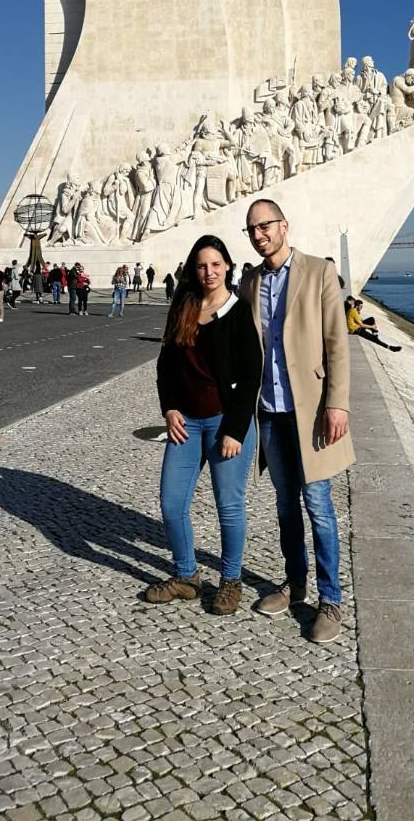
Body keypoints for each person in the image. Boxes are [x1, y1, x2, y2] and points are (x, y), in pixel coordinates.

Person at [240, 198, 354, 645]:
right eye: (251, 229)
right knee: (286, 507)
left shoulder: (318, 272)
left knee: (319, 508)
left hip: (310, 412)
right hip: (269, 410)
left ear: (284, 226)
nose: (258, 234)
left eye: (265, 225)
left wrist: (338, 403)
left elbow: (336, 342)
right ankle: (295, 583)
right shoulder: (251, 281)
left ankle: (330, 600)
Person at [146, 235, 262, 614]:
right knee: (171, 503)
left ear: (227, 266)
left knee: (228, 504)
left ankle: (230, 581)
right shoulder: (183, 305)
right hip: (187, 423)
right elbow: (166, 367)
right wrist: (169, 409)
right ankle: (186, 577)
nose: (209, 272)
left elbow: (250, 377)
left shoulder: (240, 311)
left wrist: (235, 430)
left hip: (224, 421)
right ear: (193, 270)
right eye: (201, 265)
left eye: (215, 264)